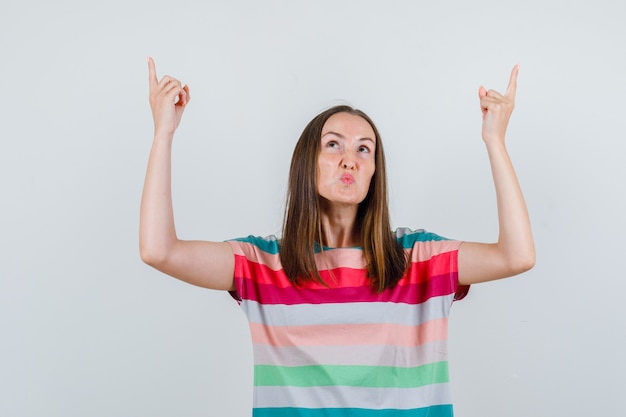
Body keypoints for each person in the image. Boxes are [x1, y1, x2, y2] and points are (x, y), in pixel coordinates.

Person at [140, 56, 535, 417]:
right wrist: (164, 133)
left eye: (365, 149)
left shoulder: (419, 258)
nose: (350, 158)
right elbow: (159, 251)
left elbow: (517, 256)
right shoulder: (263, 264)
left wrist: (494, 141)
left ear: (374, 173)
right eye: (334, 145)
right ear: (305, 162)